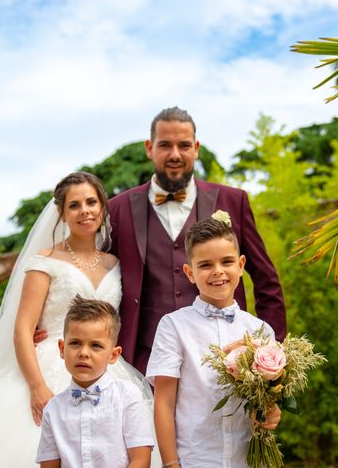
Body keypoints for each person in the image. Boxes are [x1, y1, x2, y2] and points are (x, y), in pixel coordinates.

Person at [0, 172, 154, 468]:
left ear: (102, 208)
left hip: (105, 367)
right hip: (49, 364)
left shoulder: (115, 264)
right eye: (74, 205)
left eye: (91, 202)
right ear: (61, 212)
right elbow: (23, 328)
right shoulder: (44, 262)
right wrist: (37, 386)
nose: (84, 211)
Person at [109, 106, 286, 374]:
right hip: (144, 361)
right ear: (149, 147)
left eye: (184, 145)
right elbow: (93, 275)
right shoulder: (117, 209)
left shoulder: (232, 201)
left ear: (196, 148)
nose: (175, 155)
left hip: (226, 359)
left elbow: (267, 283)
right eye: (165, 145)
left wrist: (267, 352)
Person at [146, 215, 281, 467]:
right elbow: (163, 402)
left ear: (241, 265)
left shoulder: (261, 330)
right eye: (205, 265)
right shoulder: (173, 326)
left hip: (248, 457)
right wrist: (171, 463)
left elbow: (268, 401)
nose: (218, 271)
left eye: (227, 261)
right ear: (190, 272)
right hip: (195, 457)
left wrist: (272, 413)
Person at [37, 295, 153, 468]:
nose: (84, 353)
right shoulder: (53, 409)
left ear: (114, 355)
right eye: (75, 343)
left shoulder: (127, 396)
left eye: (96, 345)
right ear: (62, 349)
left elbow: (141, 460)